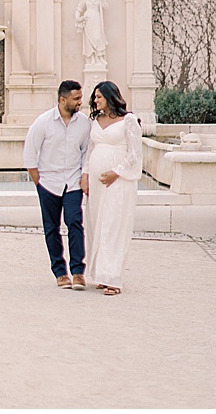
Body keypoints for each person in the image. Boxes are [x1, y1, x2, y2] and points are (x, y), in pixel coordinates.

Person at [23, 80, 90, 289]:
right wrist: (39, 182)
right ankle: (60, 273)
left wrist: (83, 176)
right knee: (51, 229)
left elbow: (86, 152)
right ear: (63, 100)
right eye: (76, 98)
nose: (80, 102)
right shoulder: (42, 122)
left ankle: (78, 271)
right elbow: (29, 154)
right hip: (48, 184)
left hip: (72, 183)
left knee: (75, 224)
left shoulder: (84, 123)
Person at [82, 80, 144, 296]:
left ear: (110, 97)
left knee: (114, 225)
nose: (95, 100)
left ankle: (113, 278)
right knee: (96, 224)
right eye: (95, 97)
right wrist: (85, 175)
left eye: (99, 96)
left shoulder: (129, 121)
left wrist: (116, 172)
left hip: (120, 180)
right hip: (97, 183)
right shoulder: (95, 120)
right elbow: (90, 151)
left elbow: (135, 153)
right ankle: (101, 273)